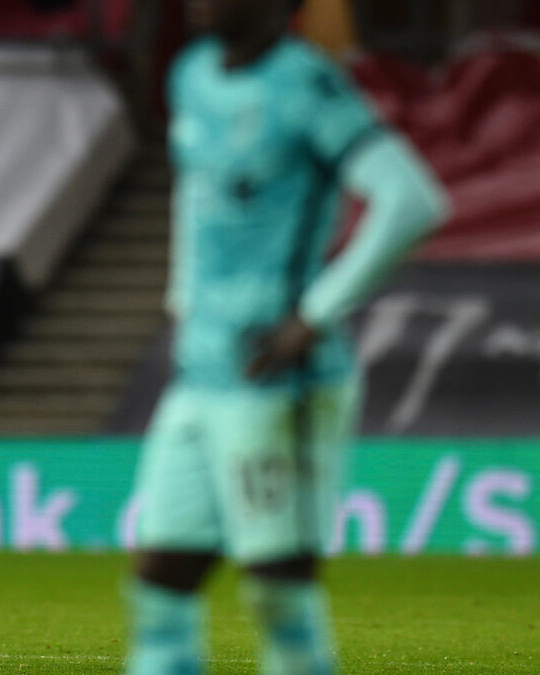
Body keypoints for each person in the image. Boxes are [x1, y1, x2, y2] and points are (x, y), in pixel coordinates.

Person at [127, 0, 447, 673]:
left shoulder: (306, 83)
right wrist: (181, 297)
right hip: (203, 370)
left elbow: (410, 198)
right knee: (160, 586)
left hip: (279, 377)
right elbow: (196, 190)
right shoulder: (190, 73)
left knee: (278, 594)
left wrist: (315, 314)